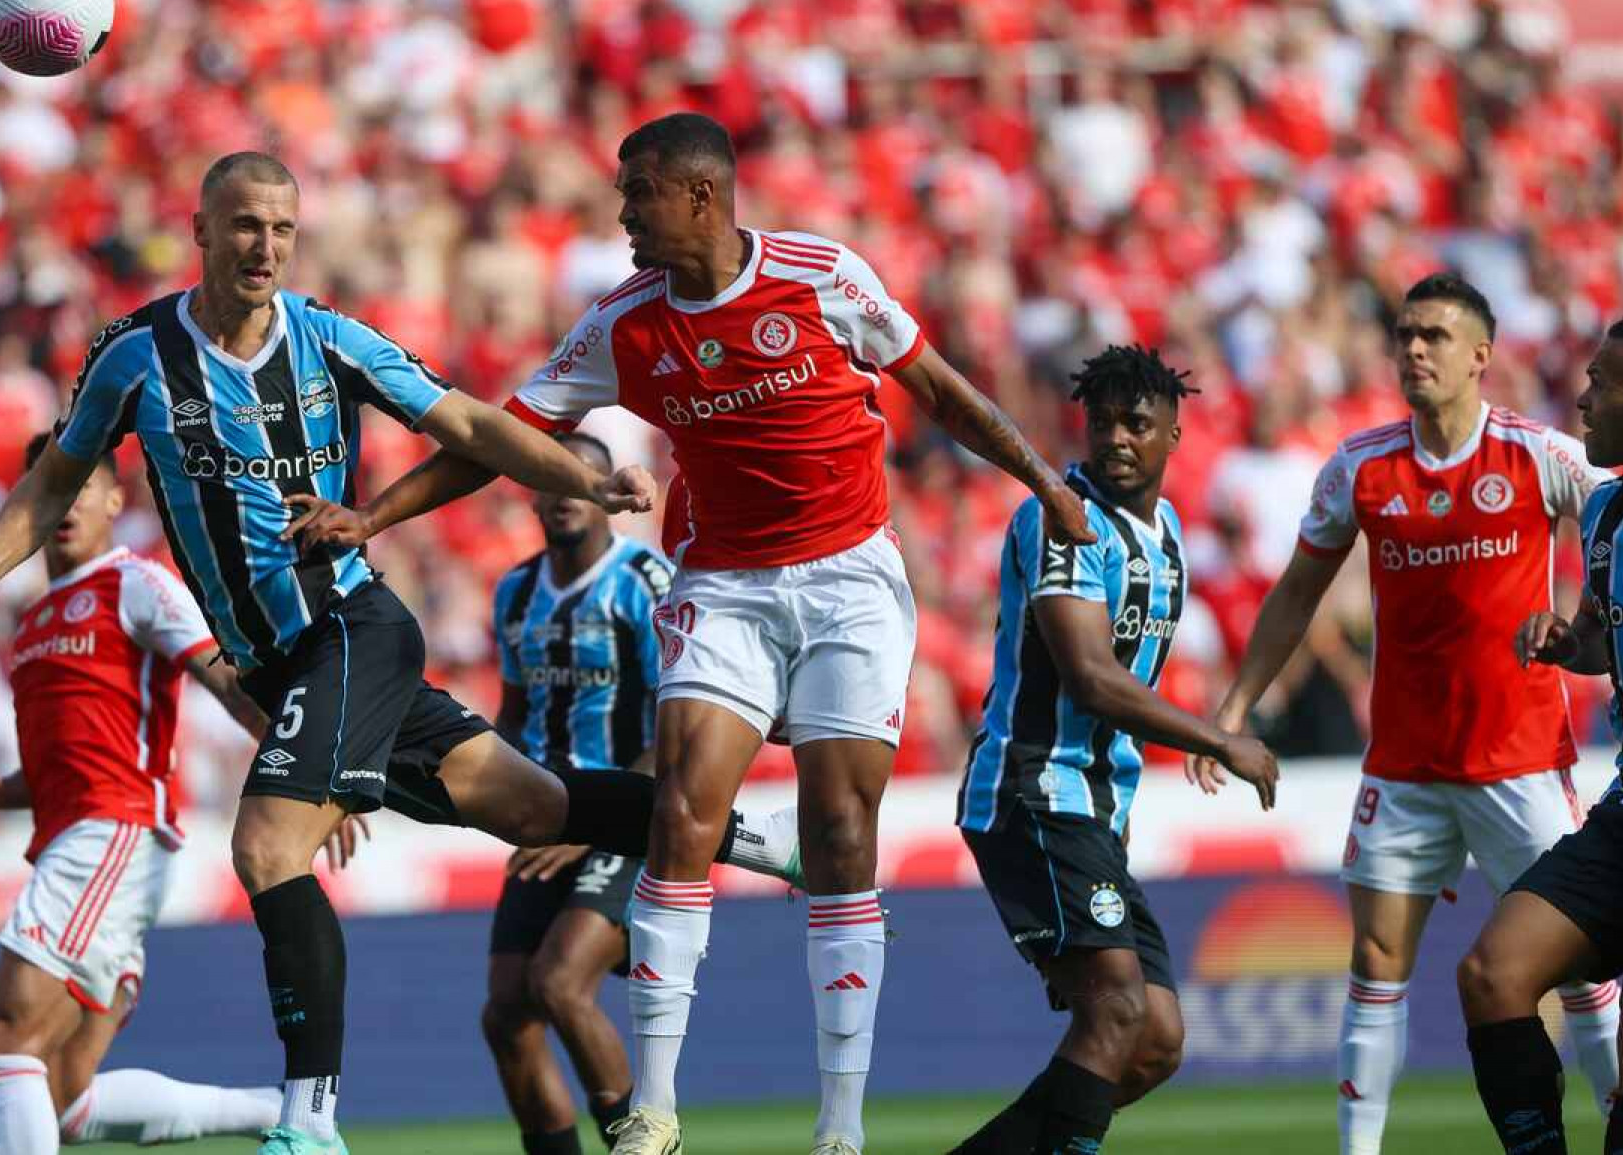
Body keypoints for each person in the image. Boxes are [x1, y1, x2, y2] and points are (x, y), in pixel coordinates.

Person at [0, 152, 801, 1155]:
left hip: (354, 628)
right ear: (200, 229)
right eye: (246, 225)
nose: (266, 247)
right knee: (534, 806)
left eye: (283, 229)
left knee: (264, 847)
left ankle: (309, 1122)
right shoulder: (136, 356)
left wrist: (585, 480)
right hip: (284, 668)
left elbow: (467, 421)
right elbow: (59, 472)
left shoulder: (331, 342)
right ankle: (758, 837)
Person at [345, 112, 1094, 1155]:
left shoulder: (822, 275)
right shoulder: (623, 324)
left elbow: (942, 393)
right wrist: (374, 517)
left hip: (850, 580)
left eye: (636, 192)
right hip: (726, 584)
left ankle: (840, 1126)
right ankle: (653, 1107)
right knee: (683, 812)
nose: (621, 213)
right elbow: (501, 436)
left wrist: (1043, 478)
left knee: (839, 834)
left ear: (700, 195)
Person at [1207, 272, 1619, 1155]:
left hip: (1521, 762)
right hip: (1404, 767)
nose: (1415, 350)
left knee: (1583, 971)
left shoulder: (1539, 456)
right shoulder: (1362, 467)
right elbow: (1296, 592)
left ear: (1481, 354)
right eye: (1404, 335)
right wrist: (1238, 701)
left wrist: (1585, 623)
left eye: (1434, 335)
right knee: (1375, 966)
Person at [949, 346, 1279, 1155]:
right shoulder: (1062, 516)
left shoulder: (1166, 533)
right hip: (1031, 790)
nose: (1117, 438)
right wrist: (1219, 737)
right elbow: (1092, 679)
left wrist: (1191, 734)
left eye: (1137, 423)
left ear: (1175, 433)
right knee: (1118, 1010)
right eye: (1103, 422)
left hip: (1095, 804)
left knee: (1155, 1037)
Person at [0, 433, 284, 1151]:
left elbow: (226, 683)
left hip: (113, 832)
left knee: (3, 1038)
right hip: (83, 835)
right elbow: (69, 758)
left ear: (115, 499)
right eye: (53, 485)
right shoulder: (34, 622)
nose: (68, 500)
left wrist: (303, 765)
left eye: (84, 484)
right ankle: (275, 1113)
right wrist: (4, 790)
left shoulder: (136, 582)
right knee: (62, 1095)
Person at [1456, 312, 1623, 1155]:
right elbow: (1605, 632)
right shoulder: (1606, 515)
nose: (1583, 398)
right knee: (1492, 974)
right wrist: (1569, 640)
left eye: (1604, 383)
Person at [482, 431, 683, 1155]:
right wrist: (499, 797)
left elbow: (681, 724)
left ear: (607, 493)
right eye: (550, 477)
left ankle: (649, 1148)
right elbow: (512, 709)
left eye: (581, 479)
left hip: (631, 819)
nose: (565, 492)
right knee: (507, 1011)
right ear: (531, 490)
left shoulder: (647, 582)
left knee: (561, 983)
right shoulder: (516, 589)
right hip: (546, 821)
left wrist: (597, 818)